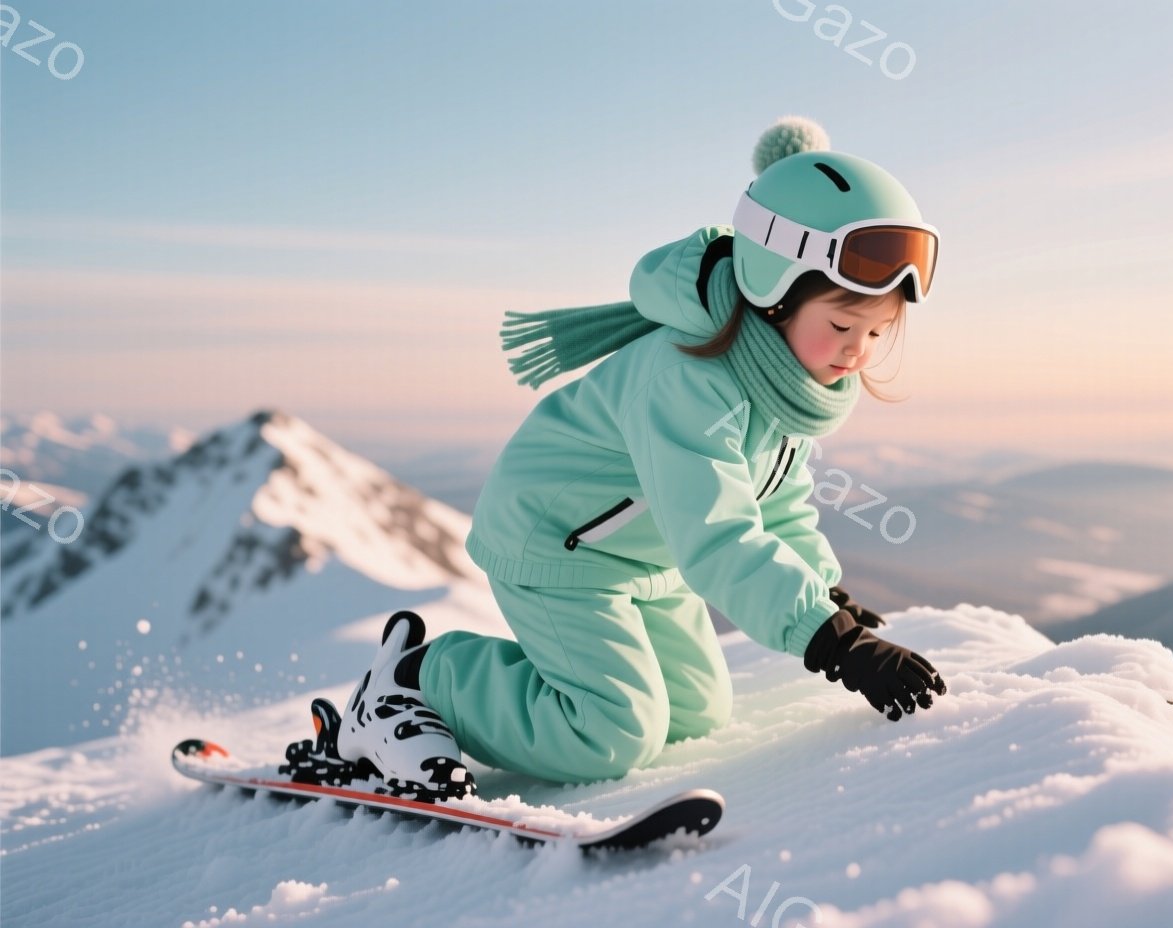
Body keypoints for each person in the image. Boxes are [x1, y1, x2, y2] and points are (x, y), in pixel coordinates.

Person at [331, 117, 946, 801]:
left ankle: (478, 691)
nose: (857, 351)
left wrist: (825, 596)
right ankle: (414, 682)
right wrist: (831, 643)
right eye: (840, 325)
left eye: (877, 331)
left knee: (696, 716)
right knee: (613, 732)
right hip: (558, 544)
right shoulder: (689, 377)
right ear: (774, 291)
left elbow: (776, 503)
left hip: (648, 559)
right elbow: (717, 533)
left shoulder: (779, 381)